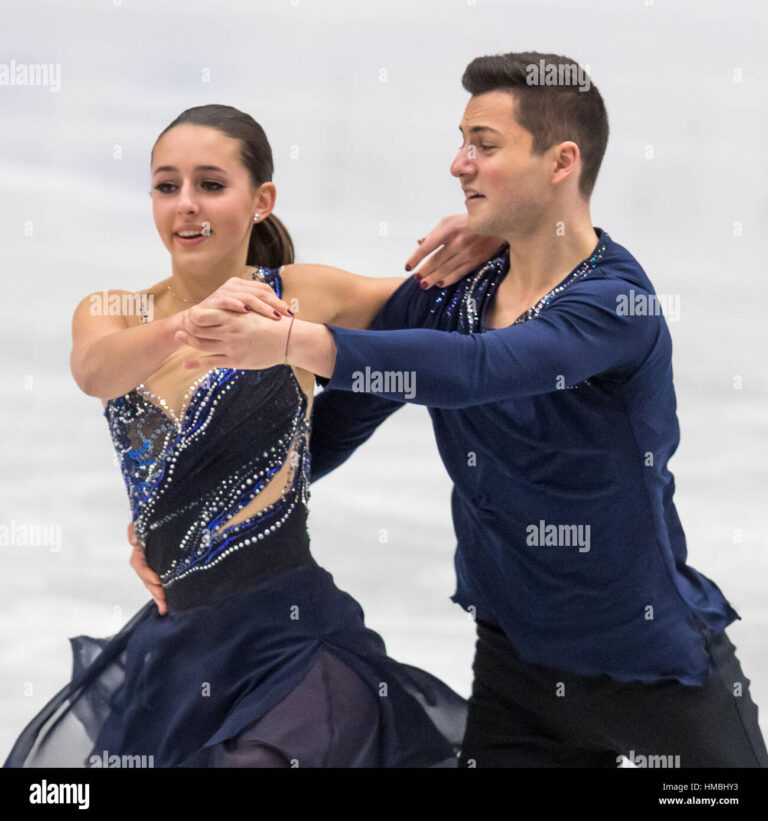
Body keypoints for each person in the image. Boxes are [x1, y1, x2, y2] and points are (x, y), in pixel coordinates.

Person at [174, 53, 768, 768]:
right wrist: (196, 517)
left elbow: (481, 369)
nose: (460, 165)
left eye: (484, 145)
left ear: (561, 162)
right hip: (518, 677)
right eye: (462, 142)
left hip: (655, 676)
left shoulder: (615, 305)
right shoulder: (447, 293)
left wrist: (293, 340)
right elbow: (326, 431)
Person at [3, 103, 491, 768]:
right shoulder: (112, 311)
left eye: (211, 184)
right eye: (167, 185)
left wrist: (494, 235)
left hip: (291, 638)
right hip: (179, 648)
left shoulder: (300, 295)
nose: (185, 206)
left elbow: (442, 304)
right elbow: (93, 371)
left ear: (261, 200)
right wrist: (188, 324)